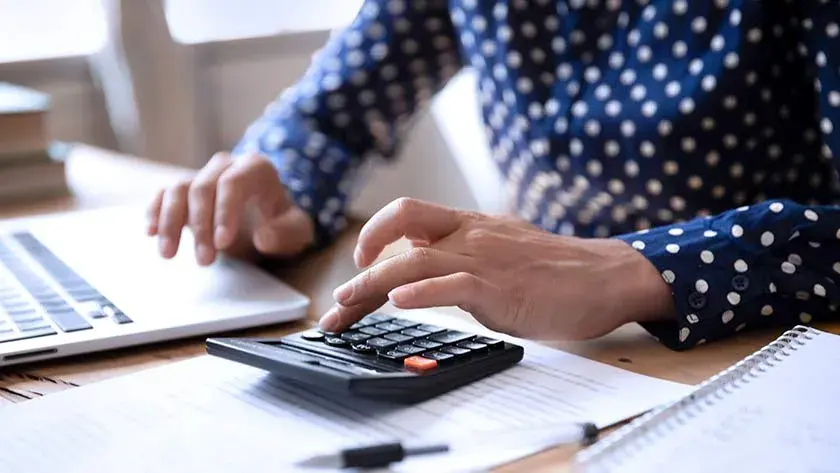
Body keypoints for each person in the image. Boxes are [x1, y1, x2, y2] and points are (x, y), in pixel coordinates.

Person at [147, 0, 840, 350]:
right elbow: (330, 115)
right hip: (554, 354)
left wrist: (636, 266)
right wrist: (276, 189)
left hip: (763, 355)